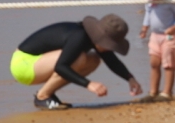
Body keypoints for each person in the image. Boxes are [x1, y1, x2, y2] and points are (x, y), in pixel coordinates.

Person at [12, 15, 141, 110]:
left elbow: (111, 60)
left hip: (40, 62)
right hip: (23, 65)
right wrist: (88, 84)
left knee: (94, 59)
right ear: (102, 39)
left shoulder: (92, 37)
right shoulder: (79, 37)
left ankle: (48, 94)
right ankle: (42, 96)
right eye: (111, 45)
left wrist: (130, 78)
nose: (111, 48)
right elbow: (61, 66)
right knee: (79, 59)